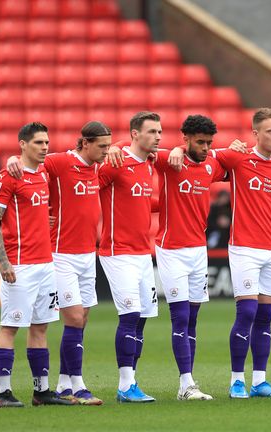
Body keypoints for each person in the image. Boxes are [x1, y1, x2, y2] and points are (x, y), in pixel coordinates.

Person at [6, 121, 111, 405]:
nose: (106, 151)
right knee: (74, 317)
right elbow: (29, 162)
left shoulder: (100, 167)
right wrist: (13, 158)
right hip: (60, 254)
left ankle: (64, 383)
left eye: (108, 146)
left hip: (88, 254)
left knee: (82, 319)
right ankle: (78, 385)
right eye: (101, 146)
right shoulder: (61, 162)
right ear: (85, 143)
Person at [0, 122, 75, 407]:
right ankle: (4, 393)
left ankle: (42, 391)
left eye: (47, 142)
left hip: (45, 264)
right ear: (23, 144)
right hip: (20, 265)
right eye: (38, 143)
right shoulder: (8, 176)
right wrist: (3, 261)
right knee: (10, 326)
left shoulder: (43, 174)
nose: (45, 147)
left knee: (41, 327)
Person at [211, 108, 271, 399]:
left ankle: (259, 381)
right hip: (245, 247)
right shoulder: (238, 157)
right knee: (247, 311)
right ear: (255, 133)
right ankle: (236, 381)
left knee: (266, 315)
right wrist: (225, 147)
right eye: (270, 131)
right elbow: (203, 157)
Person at [154, 115, 225, 400]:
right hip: (171, 249)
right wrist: (175, 150)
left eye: (209, 142)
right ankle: (185, 383)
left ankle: (189, 382)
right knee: (180, 317)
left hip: (198, 250)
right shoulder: (171, 161)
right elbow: (133, 146)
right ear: (185, 138)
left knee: (193, 318)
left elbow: (237, 160)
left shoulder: (211, 163)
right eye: (200, 142)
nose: (206, 147)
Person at [98, 112, 160, 403]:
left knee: (143, 318)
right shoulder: (116, 162)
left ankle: (132, 381)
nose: (158, 137)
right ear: (135, 134)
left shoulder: (148, 164)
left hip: (142, 253)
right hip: (117, 251)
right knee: (130, 315)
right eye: (152, 132)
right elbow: (87, 186)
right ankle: (124, 386)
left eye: (160, 132)